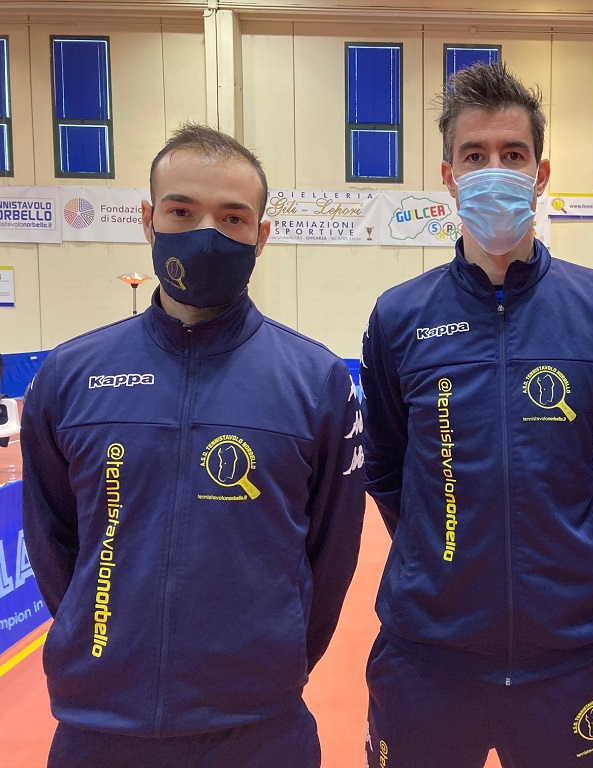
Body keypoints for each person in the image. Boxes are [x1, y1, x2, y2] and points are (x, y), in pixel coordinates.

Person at [21, 123, 365, 767]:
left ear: (261, 236)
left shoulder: (315, 382)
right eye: (182, 211)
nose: (207, 233)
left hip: (259, 732)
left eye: (233, 218)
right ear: (148, 221)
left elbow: (331, 555)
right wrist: (104, 647)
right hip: (101, 727)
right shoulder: (70, 375)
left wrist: (272, 663)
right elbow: (54, 543)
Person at [360, 61, 593, 768]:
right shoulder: (399, 317)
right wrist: (442, 555)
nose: (494, 169)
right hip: (426, 658)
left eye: (512, 154)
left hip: (567, 658)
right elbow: (388, 469)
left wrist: (572, 552)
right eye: (475, 155)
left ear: (540, 172)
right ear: (449, 175)